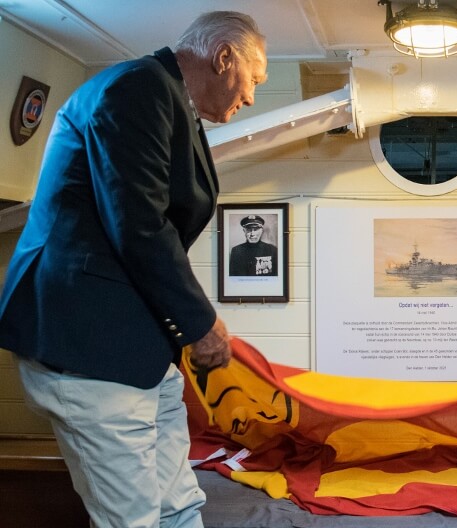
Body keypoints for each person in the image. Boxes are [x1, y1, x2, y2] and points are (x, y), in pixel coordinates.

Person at [0, 11, 268, 527]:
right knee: (135, 518)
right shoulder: (137, 89)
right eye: (254, 81)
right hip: (90, 347)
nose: (252, 97)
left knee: (180, 504)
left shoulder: (166, 100)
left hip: (138, 352)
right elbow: (138, 223)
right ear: (224, 57)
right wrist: (202, 323)